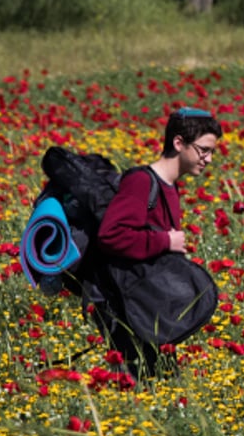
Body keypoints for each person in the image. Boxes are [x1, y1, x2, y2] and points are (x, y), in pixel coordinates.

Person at [92, 106, 223, 376]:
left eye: (212, 152)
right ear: (178, 143)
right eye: (203, 150)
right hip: (124, 305)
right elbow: (111, 235)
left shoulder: (169, 186)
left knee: (161, 380)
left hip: (147, 303)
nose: (208, 159)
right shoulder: (141, 181)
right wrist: (165, 241)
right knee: (135, 381)